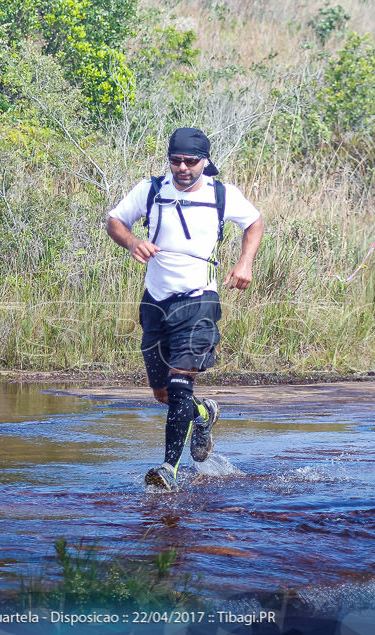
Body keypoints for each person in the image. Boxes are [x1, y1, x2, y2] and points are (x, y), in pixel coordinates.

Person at [106, 127, 264, 491]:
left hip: (199, 300)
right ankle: (203, 412)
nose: (182, 168)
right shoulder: (151, 189)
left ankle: (168, 470)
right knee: (163, 394)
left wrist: (245, 264)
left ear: (204, 161)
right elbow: (115, 221)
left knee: (179, 384)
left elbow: (254, 223)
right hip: (155, 303)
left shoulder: (221, 194)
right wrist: (132, 241)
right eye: (175, 160)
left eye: (190, 162)